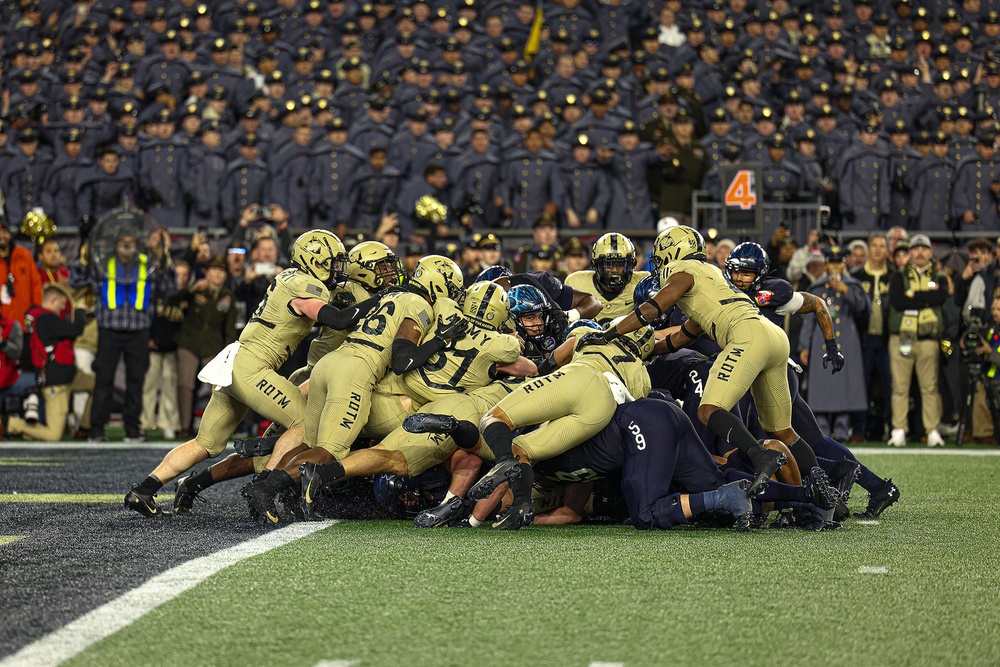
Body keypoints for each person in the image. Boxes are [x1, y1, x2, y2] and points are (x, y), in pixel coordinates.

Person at [123, 230, 359, 516]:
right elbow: (336, 318)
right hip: (252, 366)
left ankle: (144, 490)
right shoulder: (305, 285)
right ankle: (263, 487)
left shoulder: (291, 277)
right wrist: (380, 302)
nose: (337, 270)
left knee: (205, 444)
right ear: (315, 261)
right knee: (303, 422)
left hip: (237, 362)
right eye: (333, 263)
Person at [592, 226, 835, 500]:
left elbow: (652, 309)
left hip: (747, 336)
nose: (659, 265)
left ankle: (760, 456)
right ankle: (825, 493)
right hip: (774, 337)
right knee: (783, 430)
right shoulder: (712, 276)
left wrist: (608, 333)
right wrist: (646, 350)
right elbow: (685, 335)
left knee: (708, 410)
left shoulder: (682, 271)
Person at [246, 256, 465, 522]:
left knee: (310, 444)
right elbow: (402, 361)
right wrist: (440, 340)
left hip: (330, 364)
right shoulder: (419, 304)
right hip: (355, 371)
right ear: (438, 285)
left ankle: (274, 487)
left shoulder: (389, 297)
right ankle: (266, 488)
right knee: (329, 452)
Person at [69, 222, 177, 443]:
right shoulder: (102, 263)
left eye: (131, 242)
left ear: (137, 245)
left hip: (139, 331)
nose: (127, 246)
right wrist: (84, 258)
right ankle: (97, 430)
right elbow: (75, 281)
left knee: (136, 382)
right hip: (109, 329)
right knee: (104, 380)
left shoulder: (149, 264)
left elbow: (171, 288)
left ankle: (132, 430)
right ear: (116, 245)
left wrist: (166, 260)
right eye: (123, 242)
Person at [797, 248, 871, 441]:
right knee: (821, 386)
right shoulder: (817, 288)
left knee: (845, 386)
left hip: (846, 342)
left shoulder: (853, 285)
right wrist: (804, 346)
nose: (835, 266)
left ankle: (841, 429)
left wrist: (845, 290)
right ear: (826, 264)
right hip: (821, 342)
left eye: (839, 262)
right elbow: (808, 321)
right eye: (831, 262)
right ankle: (821, 428)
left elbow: (864, 309)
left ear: (844, 264)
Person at [5, 284, 90, 441]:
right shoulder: (46, 319)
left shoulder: (40, 319)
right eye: (62, 304)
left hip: (64, 377)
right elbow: (75, 330)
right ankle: (11, 424)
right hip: (56, 382)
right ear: (52, 300)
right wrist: (80, 310)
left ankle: (85, 427)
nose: (63, 308)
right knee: (53, 435)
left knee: (99, 383)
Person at [886, 234, 948, 447]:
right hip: (902, 337)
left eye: (924, 249)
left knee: (930, 386)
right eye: (916, 248)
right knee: (899, 387)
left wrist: (913, 296)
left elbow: (940, 297)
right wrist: (925, 299)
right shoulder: (898, 276)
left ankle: (932, 430)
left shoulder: (940, 276)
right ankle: (899, 430)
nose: (920, 253)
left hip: (928, 338)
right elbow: (897, 300)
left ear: (930, 253)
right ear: (910, 252)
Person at [175, 255, 238, 438]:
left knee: (218, 388)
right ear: (206, 272)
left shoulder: (228, 297)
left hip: (214, 347)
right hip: (189, 342)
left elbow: (230, 328)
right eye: (214, 269)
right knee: (185, 385)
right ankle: (184, 427)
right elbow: (175, 298)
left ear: (225, 274)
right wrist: (192, 288)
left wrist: (229, 352)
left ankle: (215, 428)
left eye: (221, 270)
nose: (217, 274)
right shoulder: (195, 290)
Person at [565, 233, 649, 324]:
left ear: (631, 265)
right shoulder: (576, 281)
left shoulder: (643, 282)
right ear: (596, 265)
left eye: (620, 265)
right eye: (609, 265)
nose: (614, 270)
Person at [0, 222, 43, 328]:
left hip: (26, 322)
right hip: (3, 327)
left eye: (4, 232)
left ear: (10, 234)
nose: (2, 236)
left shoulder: (24, 255)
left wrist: (35, 312)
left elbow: (36, 285)